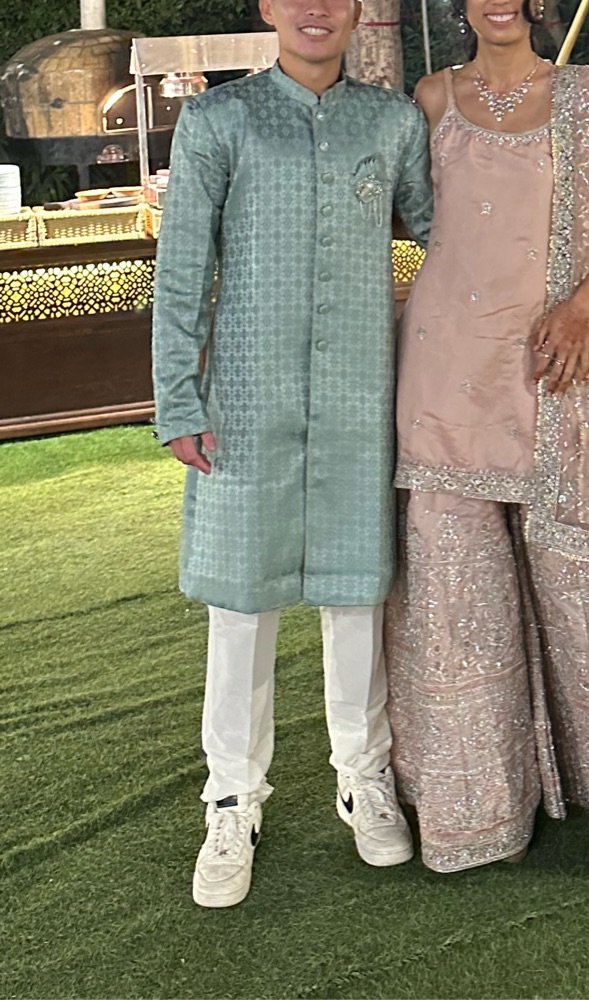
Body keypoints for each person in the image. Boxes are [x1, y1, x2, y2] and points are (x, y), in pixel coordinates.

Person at [384, 0, 589, 881]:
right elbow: (412, 221)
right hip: (445, 374)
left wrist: (585, 304)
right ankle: (474, 811)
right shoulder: (430, 97)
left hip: (558, 366)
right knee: (457, 600)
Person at [152, 0, 433, 908]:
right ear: (269, 7)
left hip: (360, 395)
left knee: (357, 595)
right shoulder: (217, 119)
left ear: (355, 11)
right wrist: (177, 397)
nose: (317, 9)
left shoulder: (392, 124)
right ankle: (232, 798)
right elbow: (182, 268)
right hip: (244, 397)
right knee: (241, 604)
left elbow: (445, 240)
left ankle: (365, 777)